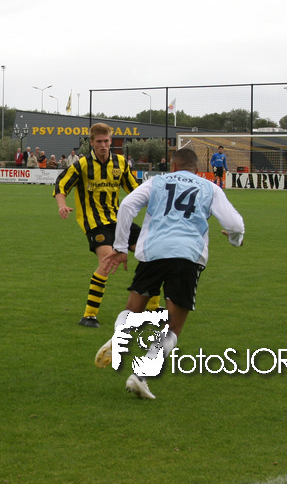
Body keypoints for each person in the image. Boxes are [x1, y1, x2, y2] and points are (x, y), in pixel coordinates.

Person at [96, 147, 245, 399]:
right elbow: (234, 224)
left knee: (133, 309)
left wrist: (120, 247)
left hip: (153, 251)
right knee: (173, 326)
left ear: (173, 166)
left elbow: (127, 205)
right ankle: (141, 375)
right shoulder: (210, 188)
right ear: (197, 169)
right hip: (187, 255)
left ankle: (121, 335)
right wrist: (235, 239)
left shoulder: (157, 181)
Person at [54, 122, 158, 328]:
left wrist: (157, 204)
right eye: (99, 142)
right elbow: (61, 184)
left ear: (111, 141)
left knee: (151, 254)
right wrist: (62, 205)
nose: (103, 145)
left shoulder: (120, 163)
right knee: (107, 260)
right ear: (92, 143)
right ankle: (89, 315)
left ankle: (154, 308)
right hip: (95, 222)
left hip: (120, 220)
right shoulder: (82, 164)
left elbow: (135, 189)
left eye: (106, 141)